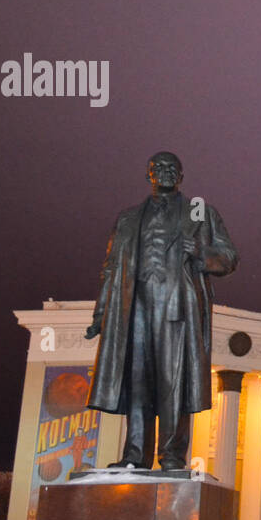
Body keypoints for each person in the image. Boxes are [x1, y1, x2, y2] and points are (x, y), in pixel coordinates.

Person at [84, 152, 239, 469]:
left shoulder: (198, 211)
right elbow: (111, 269)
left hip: (177, 308)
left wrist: (200, 253)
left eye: (173, 169)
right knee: (138, 382)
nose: (166, 173)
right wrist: (101, 314)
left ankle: (171, 456)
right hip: (134, 307)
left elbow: (229, 257)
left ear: (182, 176)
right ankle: (135, 455)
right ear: (148, 175)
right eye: (159, 168)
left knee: (174, 383)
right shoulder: (128, 218)